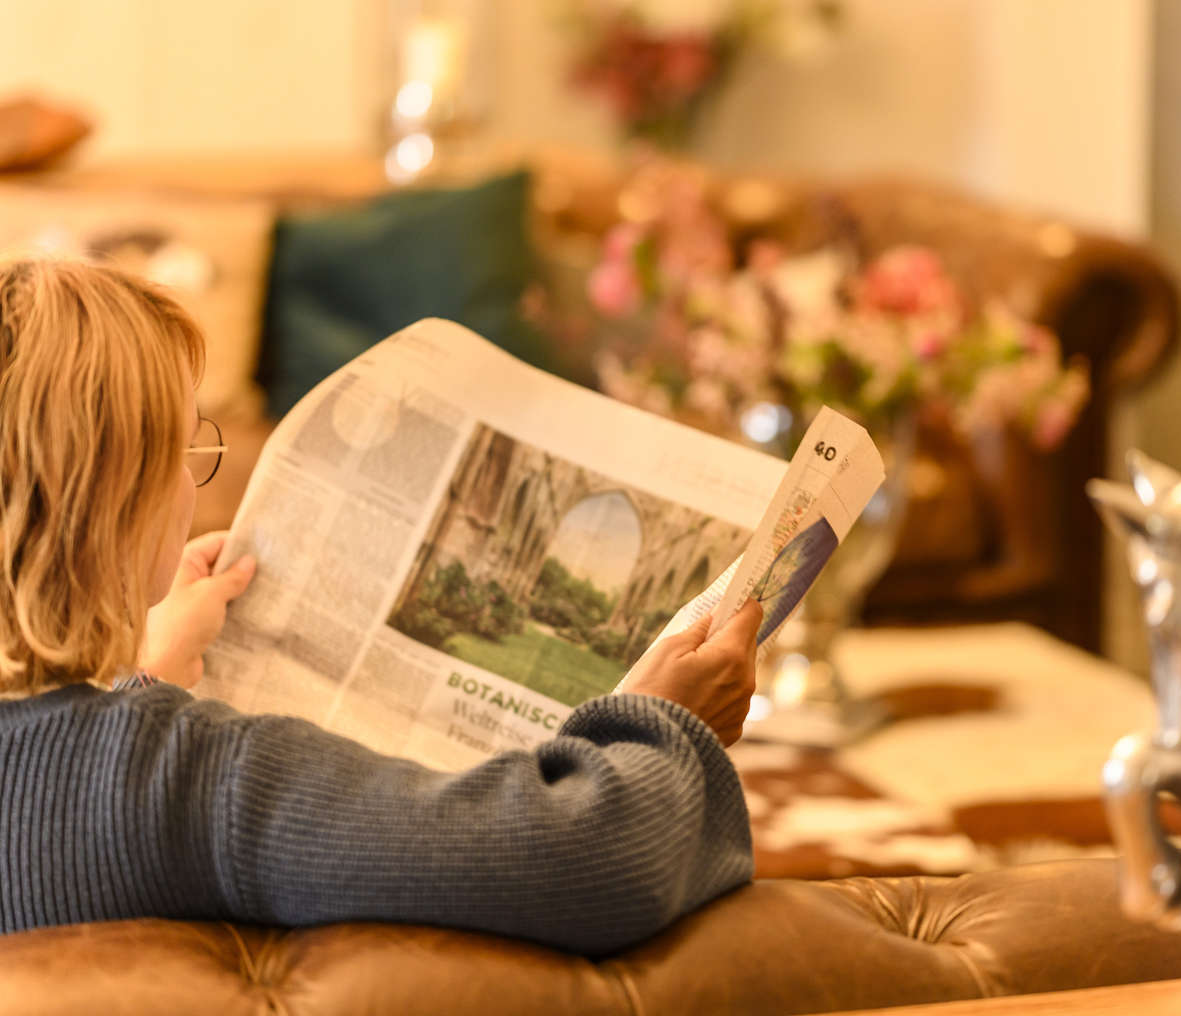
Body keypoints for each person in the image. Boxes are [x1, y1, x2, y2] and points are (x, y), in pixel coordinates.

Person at [0, 257, 763, 957]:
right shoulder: (197, 776)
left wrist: (144, 681)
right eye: (182, 451)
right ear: (116, 499)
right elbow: (595, 861)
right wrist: (668, 725)